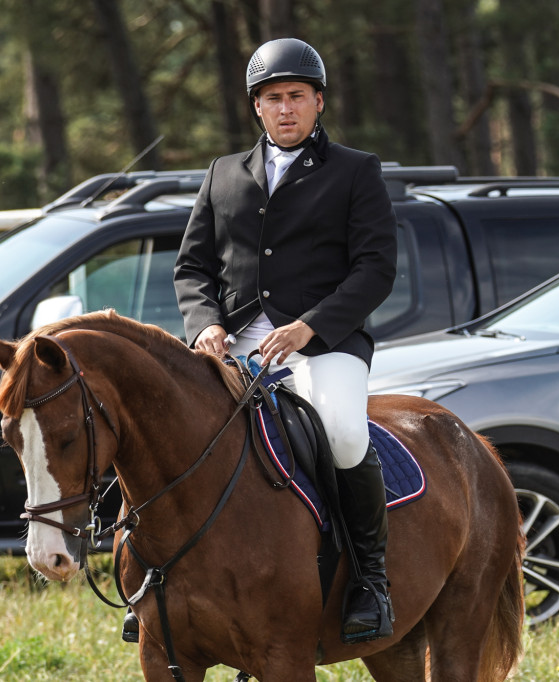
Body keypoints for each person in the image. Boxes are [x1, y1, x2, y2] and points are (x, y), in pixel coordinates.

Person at [173, 37, 398, 644]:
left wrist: (311, 325)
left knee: (346, 434)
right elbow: (192, 269)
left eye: (297, 96)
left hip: (325, 345)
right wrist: (207, 324)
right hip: (234, 344)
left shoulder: (355, 171)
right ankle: (156, 581)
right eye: (274, 98)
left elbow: (376, 269)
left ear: (318, 102)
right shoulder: (223, 174)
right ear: (257, 108)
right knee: (161, 426)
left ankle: (371, 582)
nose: (286, 108)